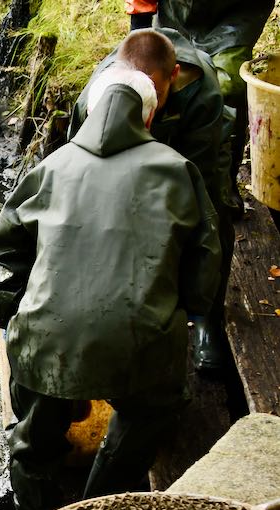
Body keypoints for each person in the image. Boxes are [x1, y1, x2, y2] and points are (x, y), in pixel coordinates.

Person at [0, 67, 221, 510]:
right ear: (150, 114)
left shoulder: (50, 167)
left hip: (49, 336)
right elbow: (206, 262)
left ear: (88, 109)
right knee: (152, 409)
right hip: (140, 340)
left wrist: (16, 322)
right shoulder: (177, 168)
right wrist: (180, 308)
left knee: (31, 442)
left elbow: (4, 257)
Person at [69, 28, 234, 370]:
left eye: (156, 94)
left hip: (192, 149)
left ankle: (207, 319)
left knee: (213, 216)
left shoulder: (200, 90)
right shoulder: (96, 95)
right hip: (124, 145)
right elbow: (76, 164)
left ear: (173, 77)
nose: (149, 103)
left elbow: (197, 180)